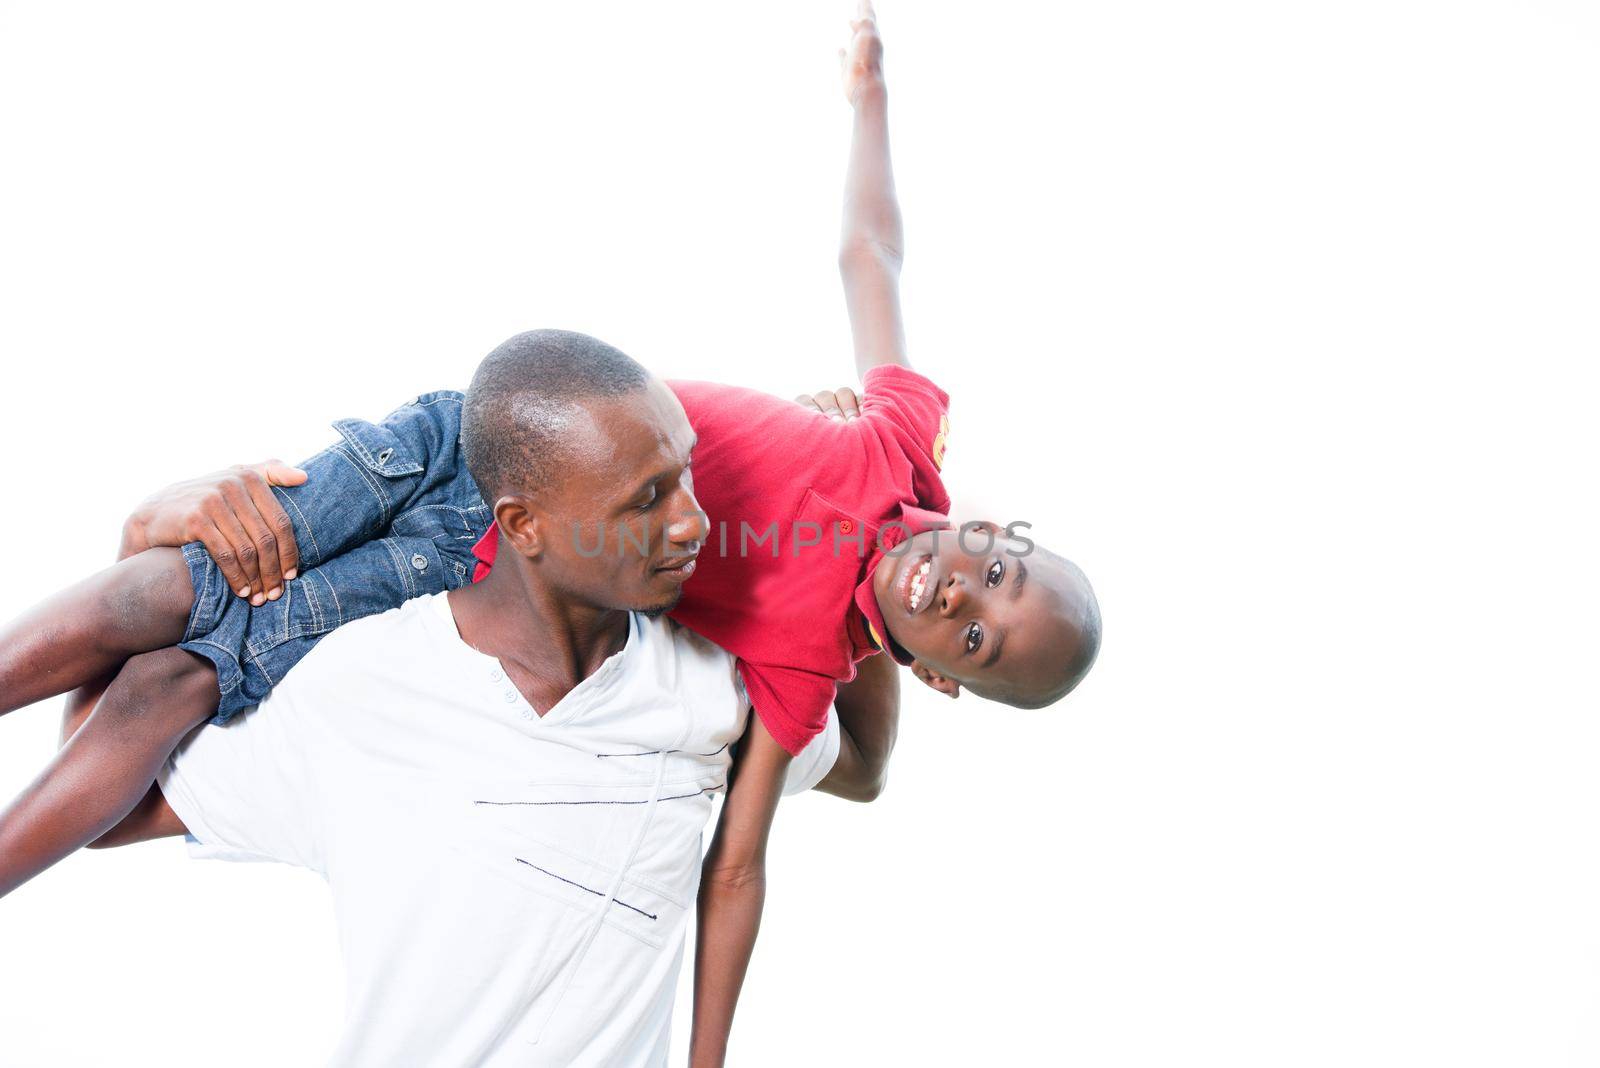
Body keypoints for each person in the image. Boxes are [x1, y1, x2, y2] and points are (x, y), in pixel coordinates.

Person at [0, 6, 1099, 1056]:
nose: (964, 596)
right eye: (994, 570)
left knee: (177, 670)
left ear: (948, 677)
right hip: (471, 440)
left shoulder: (777, 675)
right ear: (995, 521)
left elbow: (780, 836)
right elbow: (871, 255)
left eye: (977, 638)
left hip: (466, 551)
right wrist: (873, 102)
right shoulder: (895, 434)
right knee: (160, 594)